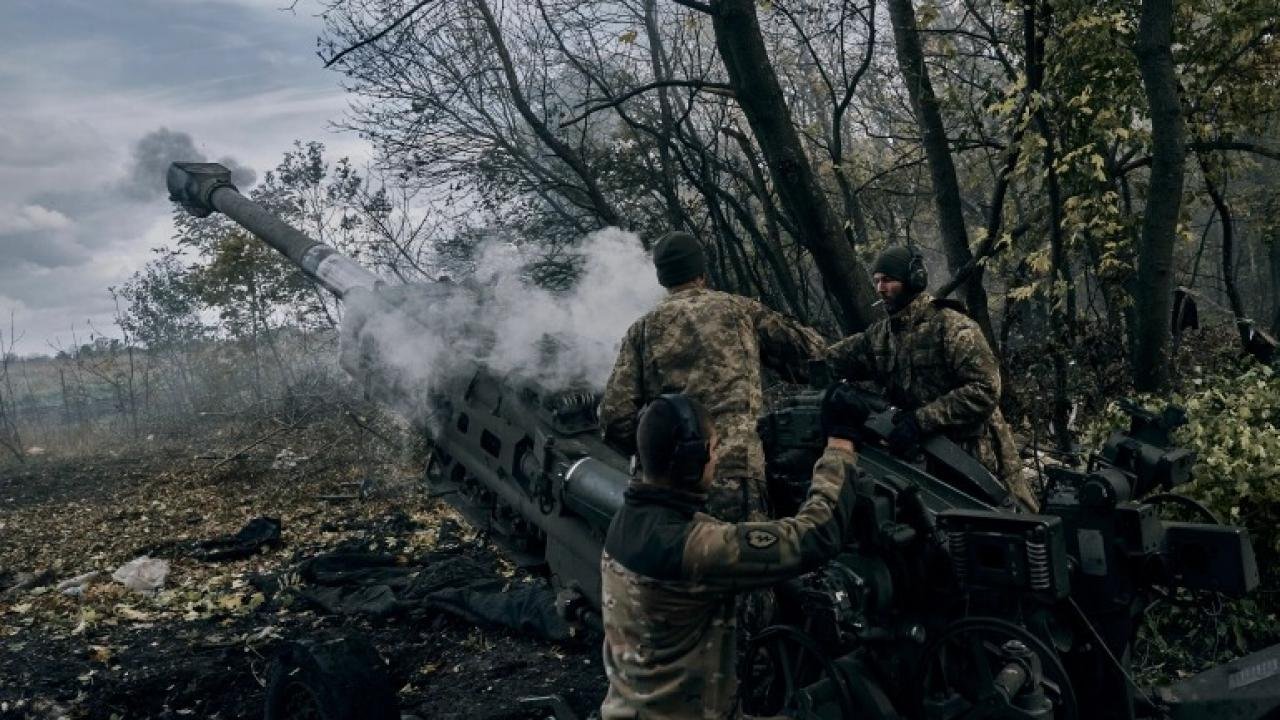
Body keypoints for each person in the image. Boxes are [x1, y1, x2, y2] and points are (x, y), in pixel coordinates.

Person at [599, 388, 869, 719]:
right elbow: (814, 536)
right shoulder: (694, 548)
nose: (718, 459)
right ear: (690, 463)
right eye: (713, 450)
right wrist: (840, 447)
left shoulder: (630, 520)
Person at [599, 231, 825, 522]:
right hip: (738, 472)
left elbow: (614, 418)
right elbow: (812, 351)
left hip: (671, 487)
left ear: (662, 279)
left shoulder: (641, 331)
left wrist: (657, 455)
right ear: (701, 271)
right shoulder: (739, 310)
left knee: (684, 551)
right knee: (744, 549)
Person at [826, 245, 1038, 511]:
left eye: (888, 280)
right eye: (877, 281)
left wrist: (921, 420)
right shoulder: (880, 336)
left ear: (913, 280)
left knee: (1020, 525)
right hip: (930, 462)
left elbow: (985, 389)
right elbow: (827, 359)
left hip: (981, 458)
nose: (880, 289)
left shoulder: (952, 326)